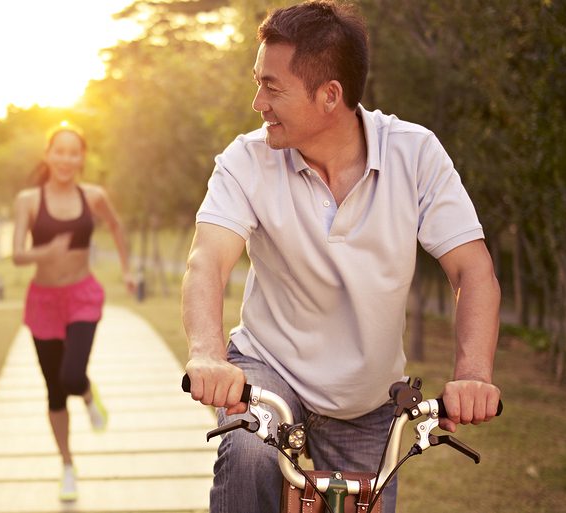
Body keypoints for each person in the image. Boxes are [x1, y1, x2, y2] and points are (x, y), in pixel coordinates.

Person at [181, 2, 502, 512]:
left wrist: (474, 373)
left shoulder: (415, 154)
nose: (257, 101)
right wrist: (206, 353)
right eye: (257, 82)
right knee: (245, 452)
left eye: (272, 86)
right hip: (270, 368)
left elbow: (472, 270)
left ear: (330, 95)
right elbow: (208, 262)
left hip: (367, 395)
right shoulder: (247, 159)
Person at [12, 122, 135, 502]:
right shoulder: (28, 201)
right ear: (48, 155)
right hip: (44, 301)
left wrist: (127, 268)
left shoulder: (93, 196)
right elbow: (17, 254)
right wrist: (43, 253)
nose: (66, 159)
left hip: (81, 295)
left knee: (71, 374)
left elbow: (116, 226)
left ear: (81, 158)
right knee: (54, 390)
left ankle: (85, 390)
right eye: (59, 151)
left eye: (73, 152)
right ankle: (67, 465)